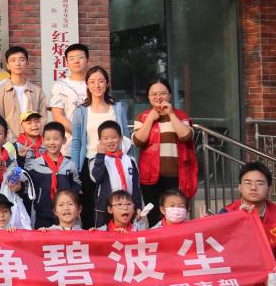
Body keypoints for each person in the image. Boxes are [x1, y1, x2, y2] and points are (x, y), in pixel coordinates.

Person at [69, 66, 130, 227]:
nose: (97, 85)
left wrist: (130, 163)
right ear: (87, 85)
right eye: (92, 81)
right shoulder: (81, 111)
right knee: (89, 208)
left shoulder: (117, 108)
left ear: (107, 84)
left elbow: (126, 138)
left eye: (101, 81)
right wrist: (75, 172)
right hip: (90, 163)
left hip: (114, 164)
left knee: (115, 205)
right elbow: (77, 143)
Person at [131, 79, 197, 225]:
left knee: (175, 216)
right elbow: (138, 141)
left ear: (170, 95)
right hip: (150, 177)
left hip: (176, 176)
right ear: (148, 97)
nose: (158, 97)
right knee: (154, 217)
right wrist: (150, 119)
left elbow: (185, 136)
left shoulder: (181, 116)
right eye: (154, 94)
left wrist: (171, 114)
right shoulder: (142, 117)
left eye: (162, 93)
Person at [23, 122, 81, 228]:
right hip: (42, 213)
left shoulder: (70, 165)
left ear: (64, 140)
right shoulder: (34, 164)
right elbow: (24, 183)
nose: (51, 142)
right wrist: (20, 158)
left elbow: (76, 182)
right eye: (48, 139)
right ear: (43, 140)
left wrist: (71, 193)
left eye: (56, 139)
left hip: (64, 214)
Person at [222, 162, 276, 258]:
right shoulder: (226, 213)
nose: (253, 188)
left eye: (260, 183)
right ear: (240, 187)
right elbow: (219, 249)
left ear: (269, 189)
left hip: (269, 265)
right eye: (248, 183)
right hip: (236, 264)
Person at [90, 121, 142, 229]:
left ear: (121, 138)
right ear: (100, 141)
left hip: (126, 207)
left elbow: (135, 186)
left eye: (114, 137)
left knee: (128, 232)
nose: (110, 141)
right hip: (105, 208)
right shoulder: (96, 159)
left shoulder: (130, 160)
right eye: (105, 138)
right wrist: (100, 156)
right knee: (103, 234)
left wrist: (138, 206)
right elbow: (97, 177)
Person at [0, 46, 47, 138]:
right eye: (13, 60)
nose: (18, 63)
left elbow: (43, 118)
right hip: (9, 142)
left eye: (22, 60)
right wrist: (12, 141)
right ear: (7, 65)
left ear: (27, 63)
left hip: (34, 141)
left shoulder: (37, 91)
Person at [48, 43, 90, 151]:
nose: (76, 61)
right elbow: (57, 115)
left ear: (88, 60)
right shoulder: (60, 86)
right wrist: (80, 134)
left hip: (95, 142)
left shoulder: (95, 83)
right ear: (67, 62)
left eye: (81, 57)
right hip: (70, 144)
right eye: (71, 58)